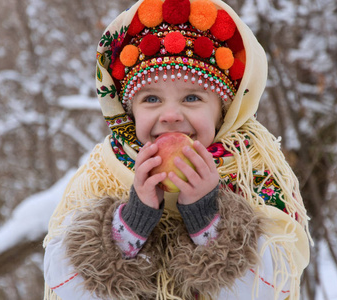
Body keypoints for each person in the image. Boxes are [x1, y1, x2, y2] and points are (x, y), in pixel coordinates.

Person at [43, 0, 311, 299]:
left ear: (224, 111)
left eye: (192, 98)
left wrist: (205, 214)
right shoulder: (103, 174)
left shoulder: (253, 169)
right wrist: (133, 220)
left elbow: (273, 285)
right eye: (152, 100)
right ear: (130, 111)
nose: (170, 115)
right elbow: (65, 283)